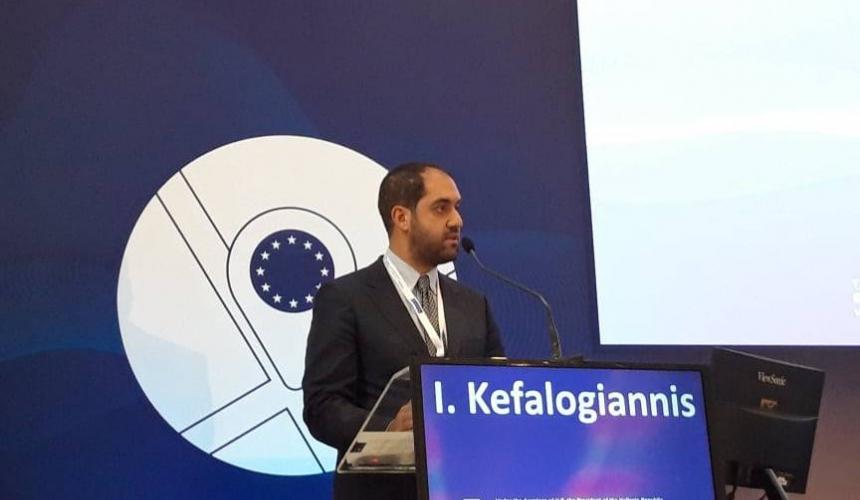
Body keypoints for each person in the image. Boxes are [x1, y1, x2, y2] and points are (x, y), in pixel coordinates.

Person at [302, 162, 505, 500]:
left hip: (466, 488)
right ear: (402, 218)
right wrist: (386, 428)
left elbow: (498, 393)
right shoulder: (346, 298)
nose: (457, 220)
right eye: (441, 208)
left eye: (457, 207)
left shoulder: (474, 305)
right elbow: (322, 407)